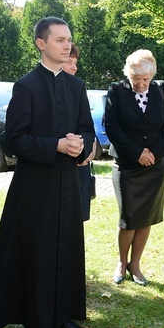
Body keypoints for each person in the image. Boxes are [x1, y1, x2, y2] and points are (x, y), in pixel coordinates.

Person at [0, 17, 95, 328]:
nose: (66, 45)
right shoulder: (26, 86)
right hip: (35, 187)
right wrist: (55, 145)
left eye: (69, 40)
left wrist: (82, 145)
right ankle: (34, 322)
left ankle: (62, 315)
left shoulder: (77, 86)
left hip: (69, 184)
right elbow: (15, 140)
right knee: (37, 252)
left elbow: (87, 129)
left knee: (67, 246)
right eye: (59, 40)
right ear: (41, 44)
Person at [105, 50, 164, 286]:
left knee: (146, 216)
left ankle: (135, 265)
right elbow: (113, 128)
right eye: (136, 78)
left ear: (152, 76)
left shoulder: (162, 89)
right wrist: (137, 153)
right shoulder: (116, 91)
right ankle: (121, 262)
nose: (140, 84)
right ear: (128, 74)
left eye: (145, 79)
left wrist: (154, 153)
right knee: (128, 216)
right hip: (127, 166)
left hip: (155, 166)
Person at [64, 43, 95, 221]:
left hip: (80, 167)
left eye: (76, 62)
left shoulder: (78, 88)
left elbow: (87, 126)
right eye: (69, 61)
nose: (74, 67)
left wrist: (87, 147)